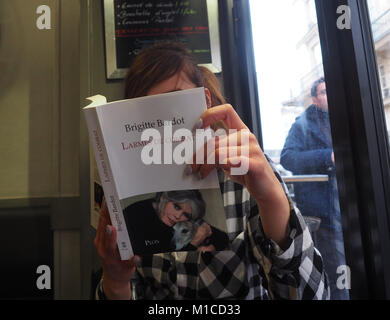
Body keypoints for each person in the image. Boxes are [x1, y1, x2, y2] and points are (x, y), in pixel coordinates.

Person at [94, 42, 329, 300]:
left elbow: (312, 295)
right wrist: (115, 282)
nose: (163, 124)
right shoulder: (132, 195)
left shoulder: (244, 176)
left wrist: (271, 199)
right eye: (145, 113)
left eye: (175, 102)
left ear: (204, 100)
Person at [280, 77, 349, 300]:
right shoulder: (303, 124)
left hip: (347, 209)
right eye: (325, 92)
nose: (330, 95)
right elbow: (287, 158)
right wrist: (327, 157)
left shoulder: (346, 118)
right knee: (335, 271)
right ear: (315, 100)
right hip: (325, 213)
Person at [123, 190, 229, 254]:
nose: (178, 216)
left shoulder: (184, 220)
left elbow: (223, 238)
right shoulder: (134, 215)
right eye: (176, 207)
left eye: (186, 215)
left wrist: (210, 247)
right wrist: (194, 243)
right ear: (163, 197)